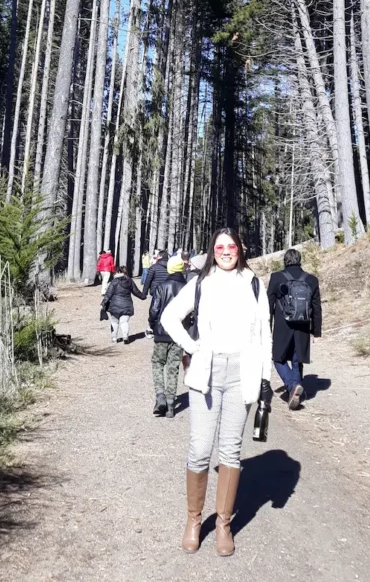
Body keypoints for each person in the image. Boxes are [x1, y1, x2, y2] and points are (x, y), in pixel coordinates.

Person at [161, 227, 272, 558]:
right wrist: (192, 346)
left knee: (230, 451)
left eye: (231, 246)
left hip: (241, 373)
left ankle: (223, 524)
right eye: (220, 247)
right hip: (206, 373)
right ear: (212, 251)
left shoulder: (253, 283)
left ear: (240, 250)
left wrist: (265, 379)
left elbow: (264, 334)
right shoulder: (200, 283)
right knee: (199, 449)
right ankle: (194, 521)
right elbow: (169, 317)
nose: (226, 252)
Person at [267, 248, 322, 410]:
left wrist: (267, 326)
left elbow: (269, 304)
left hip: (282, 325)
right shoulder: (311, 280)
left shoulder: (276, 277)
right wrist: (316, 331)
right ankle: (296, 388)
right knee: (297, 360)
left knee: (278, 358)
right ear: (300, 261)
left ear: (285, 261)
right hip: (303, 326)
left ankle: (292, 386)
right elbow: (316, 307)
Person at [150, 255, 188, 418]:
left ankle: (160, 396)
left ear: (169, 268)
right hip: (179, 334)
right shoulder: (188, 288)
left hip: (162, 332)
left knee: (158, 363)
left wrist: (153, 325)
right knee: (173, 367)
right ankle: (171, 403)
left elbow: (154, 310)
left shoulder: (161, 287)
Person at [101, 266, 144, 344]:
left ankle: (114, 338)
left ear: (118, 272)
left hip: (114, 306)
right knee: (124, 322)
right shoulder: (129, 281)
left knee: (114, 322)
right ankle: (125, 337)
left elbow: (108, 294)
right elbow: (136, 291)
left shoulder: (114, 281)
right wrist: (143, 296)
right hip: (126, 305)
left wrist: (103, 303)